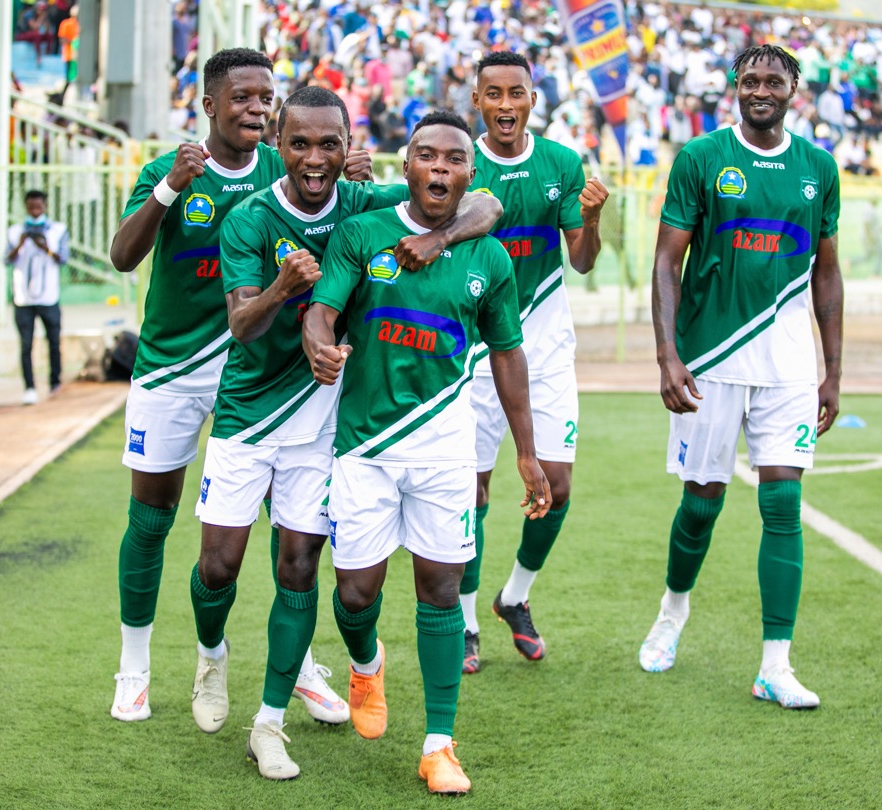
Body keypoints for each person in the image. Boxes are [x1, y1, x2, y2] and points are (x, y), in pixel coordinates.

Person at [191, 86, 502, 781]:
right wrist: (280, 288)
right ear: (278, 141)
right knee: (218, 568)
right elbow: (241, 327)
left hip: (322, 422)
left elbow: (484, 204)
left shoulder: (366, 204)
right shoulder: (247, 219)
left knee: (299, 567)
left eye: (328, 144)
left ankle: (268, 723)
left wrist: (439, 237)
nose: (314, 159)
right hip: (247, 415)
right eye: (299, 143)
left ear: (348, 145)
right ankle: (211, 655)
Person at [105, 48, 371, 725]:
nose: (256, 109)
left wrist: (353, 172)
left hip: (259, 375)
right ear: (210, 105)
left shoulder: (295, 169)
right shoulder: (173, 170)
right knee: (152, 521)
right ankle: (134, 669)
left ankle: (300, 667)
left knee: (292, 536)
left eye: (265, 99)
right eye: (243, 98)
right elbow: (123, 255)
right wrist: (168, 189)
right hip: (172, 367)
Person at [302, 110, 551, 795]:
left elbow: (508, 354)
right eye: (426, 156)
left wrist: (526, 453)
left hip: (447, 447)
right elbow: (323, 308)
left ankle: (439, 744)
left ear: (470, 173)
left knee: (440, 590)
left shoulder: (487, 256)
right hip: (365, 446)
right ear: (405, 165)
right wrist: (319, 343)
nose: (440, 168)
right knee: (355, 593)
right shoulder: (362, 233)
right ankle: (365, 662)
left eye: (454, 159)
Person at [638, 45, 844, 710]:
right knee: (702, 504)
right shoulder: (701, 159)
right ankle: (672, 611)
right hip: (711, 358)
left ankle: (775, 665)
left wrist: (832, 371)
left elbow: (828, 272)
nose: (761, 89)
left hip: (787, 364)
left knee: (782, 505)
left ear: (793, 90)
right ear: (734, 87)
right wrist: (668, 355)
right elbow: (668, 263)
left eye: (774, 80)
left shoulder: (818, 168)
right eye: (750, 79)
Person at [459, 50, 608, 673]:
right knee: (470, 491)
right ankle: (465, 623)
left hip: (544, 349)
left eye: (515, 93)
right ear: (477, 102)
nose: (504, 106)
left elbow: (582, 259)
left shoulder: (561, 164)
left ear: (532, 99)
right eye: (492, 95)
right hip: (471, 353)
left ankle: (514, 597)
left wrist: (593, 219)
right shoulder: (459, 163)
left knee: (558, 485)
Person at [5, 190, 68, 405]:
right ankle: (29, 387)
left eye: (38, 207)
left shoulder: (57, 230)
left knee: (53, 341)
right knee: (25, 345)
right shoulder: (14, 232)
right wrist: (21, 244)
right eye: (31, 208)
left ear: (44, 206)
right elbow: (7, 259)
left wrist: (45, 248)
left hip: (49, 297)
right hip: (23, 299)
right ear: (25, 206)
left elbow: (63, 258)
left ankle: (55, 382)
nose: (34, 211)